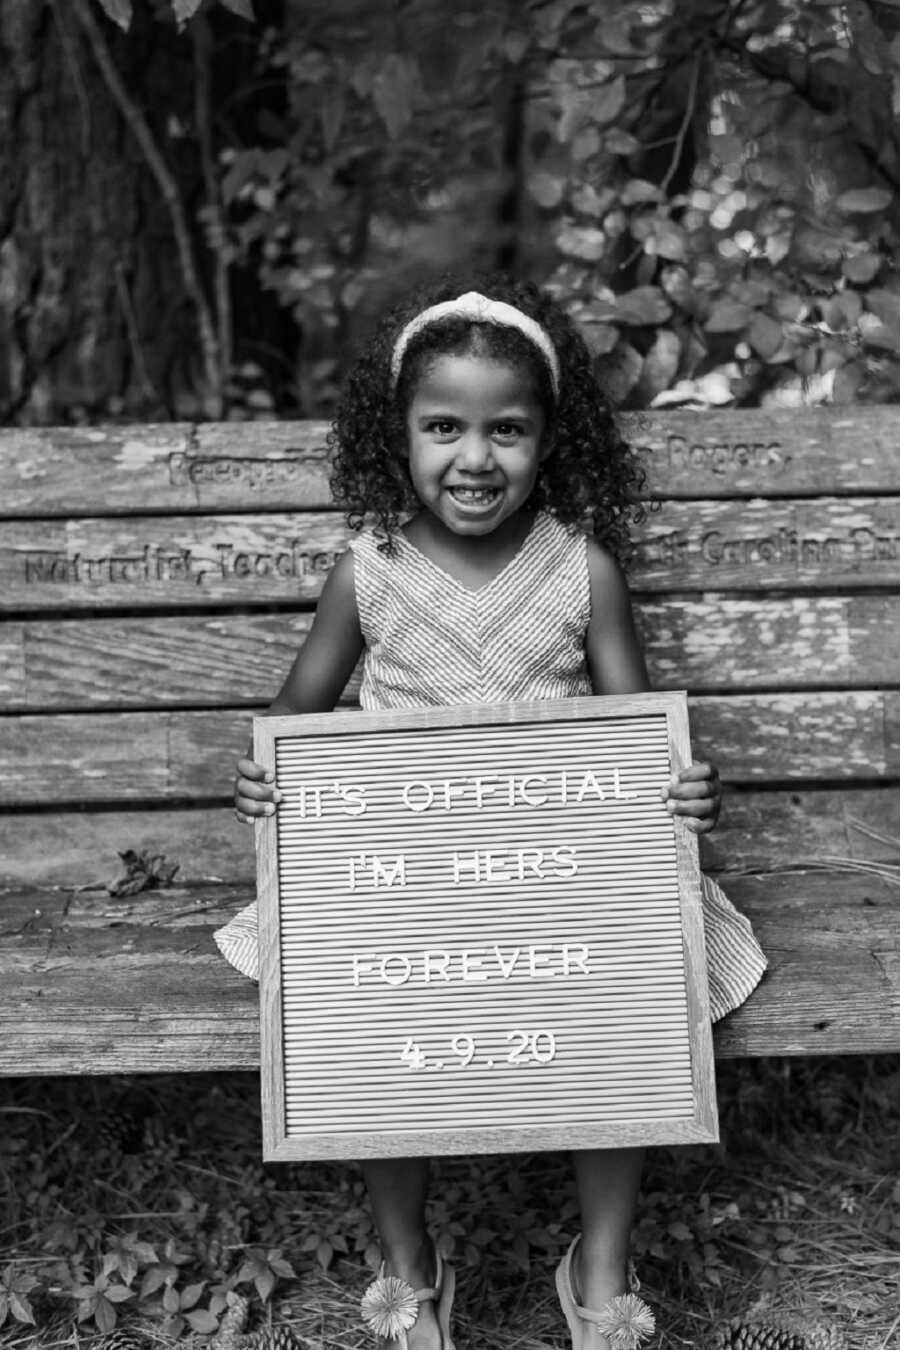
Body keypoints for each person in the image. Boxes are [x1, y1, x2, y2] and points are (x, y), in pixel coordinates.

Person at [218, 276, 767, 1350]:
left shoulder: (581, 571)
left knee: (638, 990)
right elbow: (294, 718)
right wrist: (265, 777)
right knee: (367, 1015)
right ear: (401, 437)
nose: (475, 458)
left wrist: (685, 788)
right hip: (406, 883)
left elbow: (636, 738)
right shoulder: (368, 573)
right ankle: (409, 1267)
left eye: (506, 430)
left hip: (559, 883)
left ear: (548, 440)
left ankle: (600, 1270)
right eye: (443, 428)